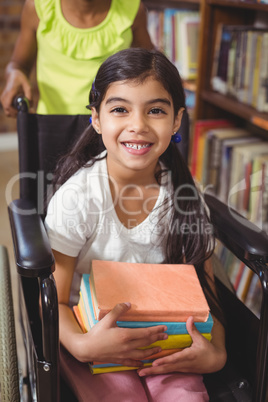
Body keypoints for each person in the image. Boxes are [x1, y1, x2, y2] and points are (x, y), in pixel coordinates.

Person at [45, 48, 227, 401]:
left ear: (176, 121)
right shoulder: (78, 198)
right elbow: (52, 299)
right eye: (120, 109)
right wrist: (83, 346)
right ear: (96, 118)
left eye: (156, 110)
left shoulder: (186, 199)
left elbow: (207, 293)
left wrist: (216, 353)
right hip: (90, 334)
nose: (138, 125)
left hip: (166, 339)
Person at [0, 0, 153, 117]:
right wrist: (14, 74)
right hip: (53, 125)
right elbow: (18, 64)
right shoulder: (38, 7)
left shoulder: (132, 9)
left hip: (112, 126)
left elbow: (152, 64)